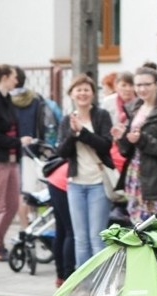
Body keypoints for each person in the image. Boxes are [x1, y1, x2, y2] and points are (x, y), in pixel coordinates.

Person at [56, 74, 114, 267]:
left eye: (86, 89)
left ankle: (101, 283)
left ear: (93, 93)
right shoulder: (67, 120)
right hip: (75, 184)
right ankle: (85, 286)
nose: (82, 93)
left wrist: (83, 132)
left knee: (97, 238)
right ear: (71, 94)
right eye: (78, 90)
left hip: (98, 182)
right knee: (80, 240)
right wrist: (73, 134)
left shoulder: (101, 116)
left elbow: (106, 145)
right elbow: (62, 152)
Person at [115, 65, 157, 225]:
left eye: (147, 84)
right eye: (138, 85)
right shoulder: (134, 108)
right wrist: (122, 137)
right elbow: (128, 150)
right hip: (136, 175)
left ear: (156, 85)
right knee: (138, 226)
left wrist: (141, 139)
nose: (142, 89)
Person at [0, 64, 32, 261]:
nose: (16, 81)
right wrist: (17, 142)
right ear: (4, 78)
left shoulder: (7, 99)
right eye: (13, 77)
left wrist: (17, 144)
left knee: (11, 205)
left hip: (11, 160)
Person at [12, 66, 58, 231]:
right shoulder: (36, 98)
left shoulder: (7, 101)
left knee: (23, 193)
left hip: (14, 150)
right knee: (39, 192)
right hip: (36, 150)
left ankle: (25, 230)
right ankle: (43, 228)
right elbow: (48, 124)